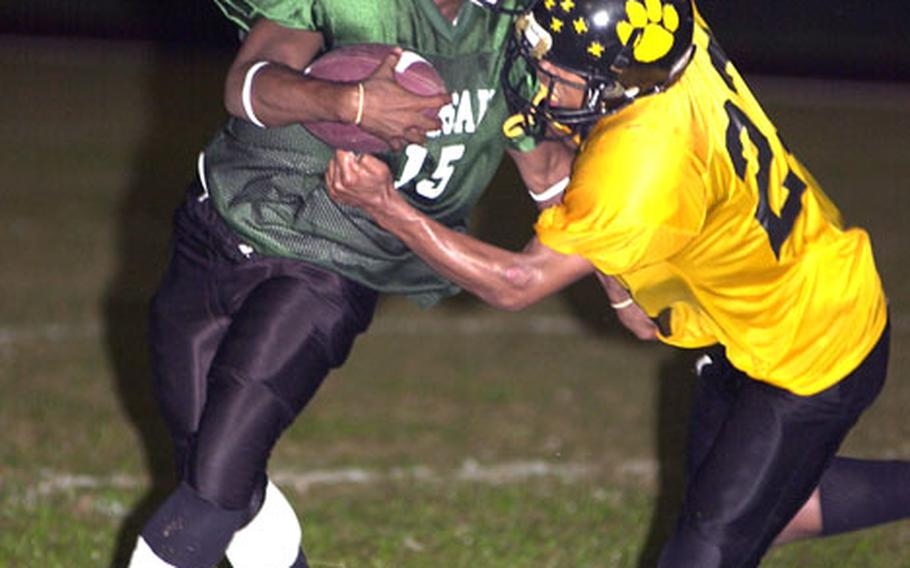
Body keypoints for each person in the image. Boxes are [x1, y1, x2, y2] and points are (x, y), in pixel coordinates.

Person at [326, 0, 910, 565]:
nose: (544, 84)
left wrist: (386, 206)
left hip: (810, 349)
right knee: (779, 511)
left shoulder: (642, 162)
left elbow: (516, 282)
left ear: (619, 81)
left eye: (561, 74)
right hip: (754, 315)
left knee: (702, 552)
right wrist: (624, 289)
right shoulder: (667, 41)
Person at [126, 1, 578, 567]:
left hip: (336, 263)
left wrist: (626, 278)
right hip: (220, 223)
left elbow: (550, 177)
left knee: (215, 484)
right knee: (216, 468)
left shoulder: (512, 35)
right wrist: (350, 101)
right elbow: (246, 84)